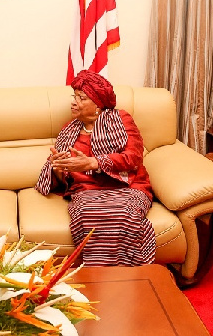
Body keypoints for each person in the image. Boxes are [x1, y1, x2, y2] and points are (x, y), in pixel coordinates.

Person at [35, 71, 155, 266]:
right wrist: (58, 166)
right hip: (86, 193)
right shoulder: (69, 130)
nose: (74, 102)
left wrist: (93, 162)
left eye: (81, 98)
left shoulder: (121, 119)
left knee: (125, 215)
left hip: (126, 189)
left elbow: (133, 158)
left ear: (98, 104)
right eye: (74, 97)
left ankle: (131, 277)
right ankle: (100, 277)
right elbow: (63, 179)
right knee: (88, 214)